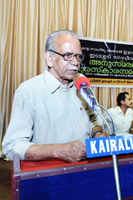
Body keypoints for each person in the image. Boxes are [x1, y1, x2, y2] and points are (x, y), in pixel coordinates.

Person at [2, 30, 109, 163]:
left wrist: (97, 133)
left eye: (78, 56)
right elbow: (12, 146)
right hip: (49, 176)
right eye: (68, 55)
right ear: (49, 59)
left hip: (86, 169)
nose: (76, 62)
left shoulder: (82, 84)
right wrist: (57, 150)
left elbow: (92, 120)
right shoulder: (28, 91)